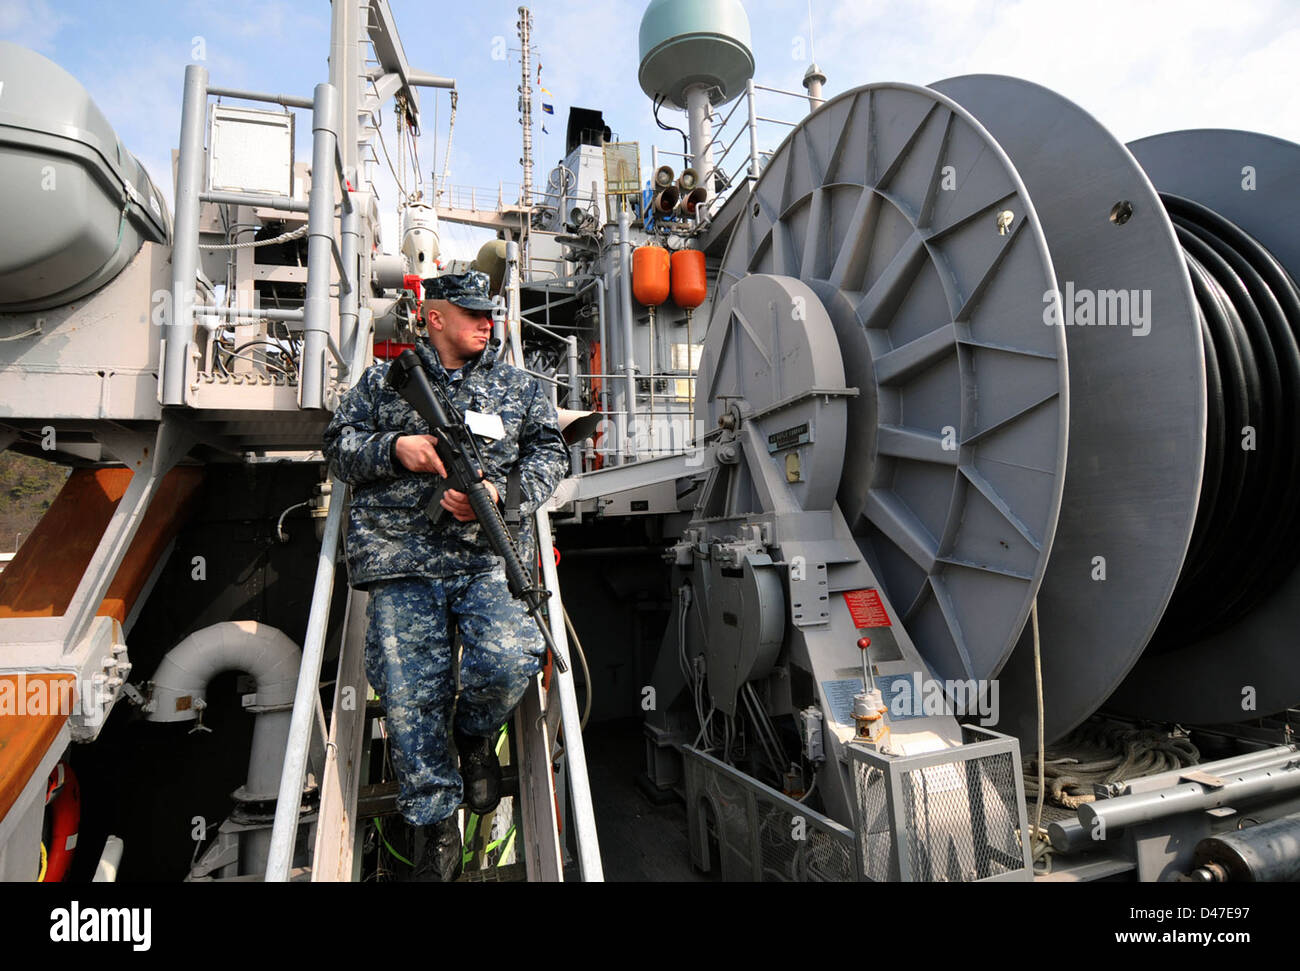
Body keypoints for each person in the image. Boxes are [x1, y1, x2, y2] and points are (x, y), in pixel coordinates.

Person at [322, 270, 570, 881]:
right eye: (473, 313)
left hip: (487, 553)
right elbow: (337, 445)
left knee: (514, 654)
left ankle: (474, 733)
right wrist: (396, 449)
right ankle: (436, 822)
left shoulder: (520, 387)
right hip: (401, 558)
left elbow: (550, 452)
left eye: (491, 313)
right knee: (409, 695)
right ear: (434, 317)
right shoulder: (385, 383)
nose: (489, 322)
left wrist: (501, 495)